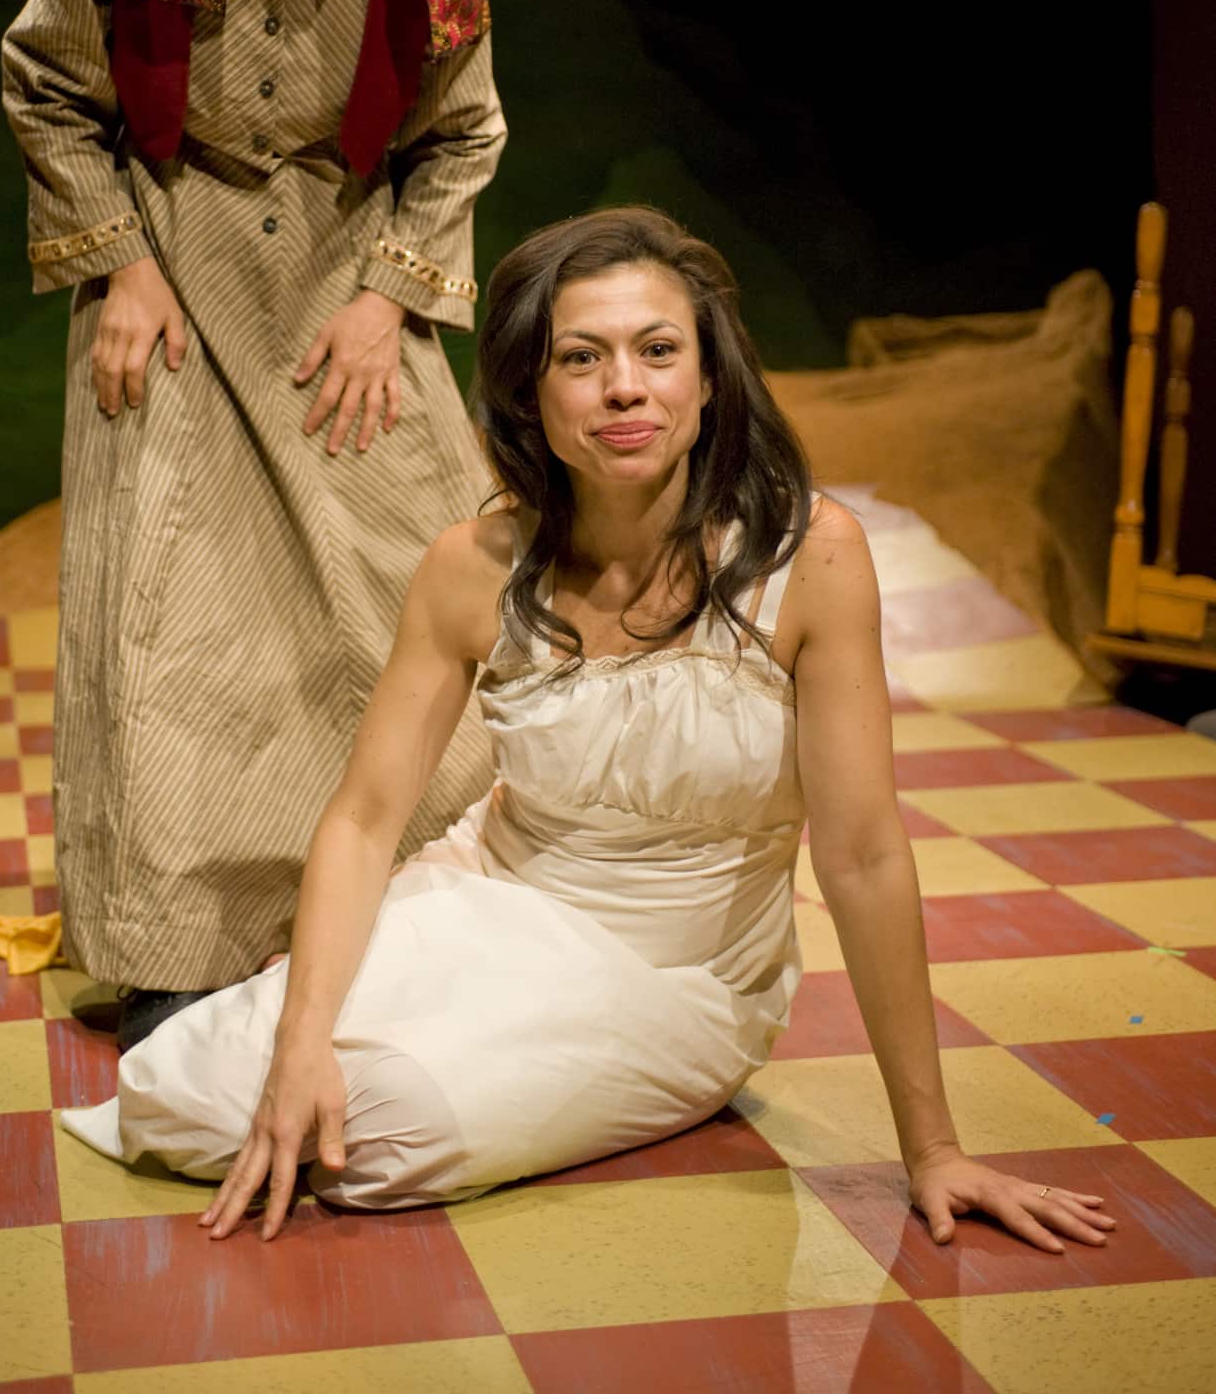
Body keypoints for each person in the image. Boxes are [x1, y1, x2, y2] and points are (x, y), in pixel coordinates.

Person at [63, 206, 1115, 1259]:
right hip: (496, 897)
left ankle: (429, 1050)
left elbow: (864, 854)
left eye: (658, 350)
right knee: (173, 1090)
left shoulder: (810, 556)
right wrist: (301, 1035)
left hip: (681, 976)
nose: (624, 387)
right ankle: (330, 1022)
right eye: (581, 357)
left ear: (709, 378)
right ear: (530, 391)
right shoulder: (473, 564)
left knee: (382, 1137)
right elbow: (365, 816)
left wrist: (933, 1149)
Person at [1, 0, 506, 1051]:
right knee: (179, 619)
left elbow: (460, 135)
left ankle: (421, 909)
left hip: (348, 283)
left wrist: (386, 298)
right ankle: (182, 943)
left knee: (410, 578)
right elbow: (47, 91)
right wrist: (121, 266)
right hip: (173, 272)